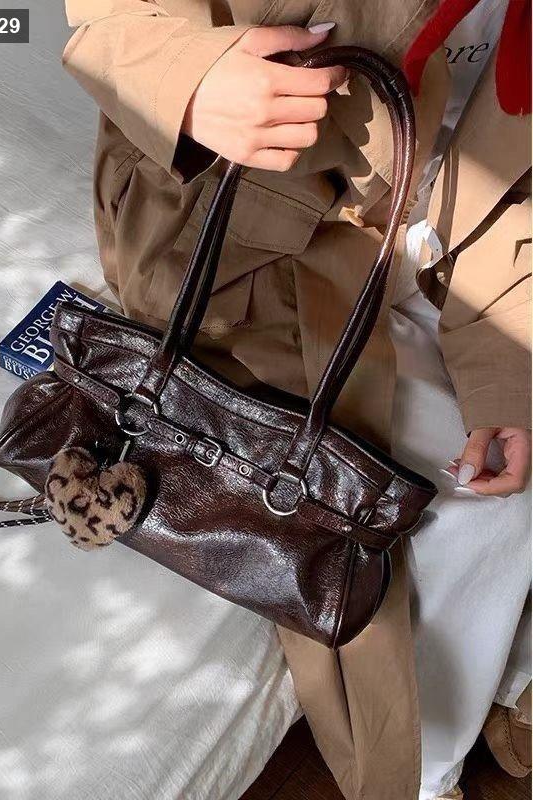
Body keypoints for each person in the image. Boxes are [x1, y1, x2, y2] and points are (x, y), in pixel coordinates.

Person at [62, 1, 532, 798]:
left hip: (454, 250)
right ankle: (419, 775)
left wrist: (501, 374)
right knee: (386, 518)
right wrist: (188, 80)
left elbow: (513, 190)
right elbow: (112, 19)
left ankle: (504, 689)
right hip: (252, 237)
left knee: (501, 470)